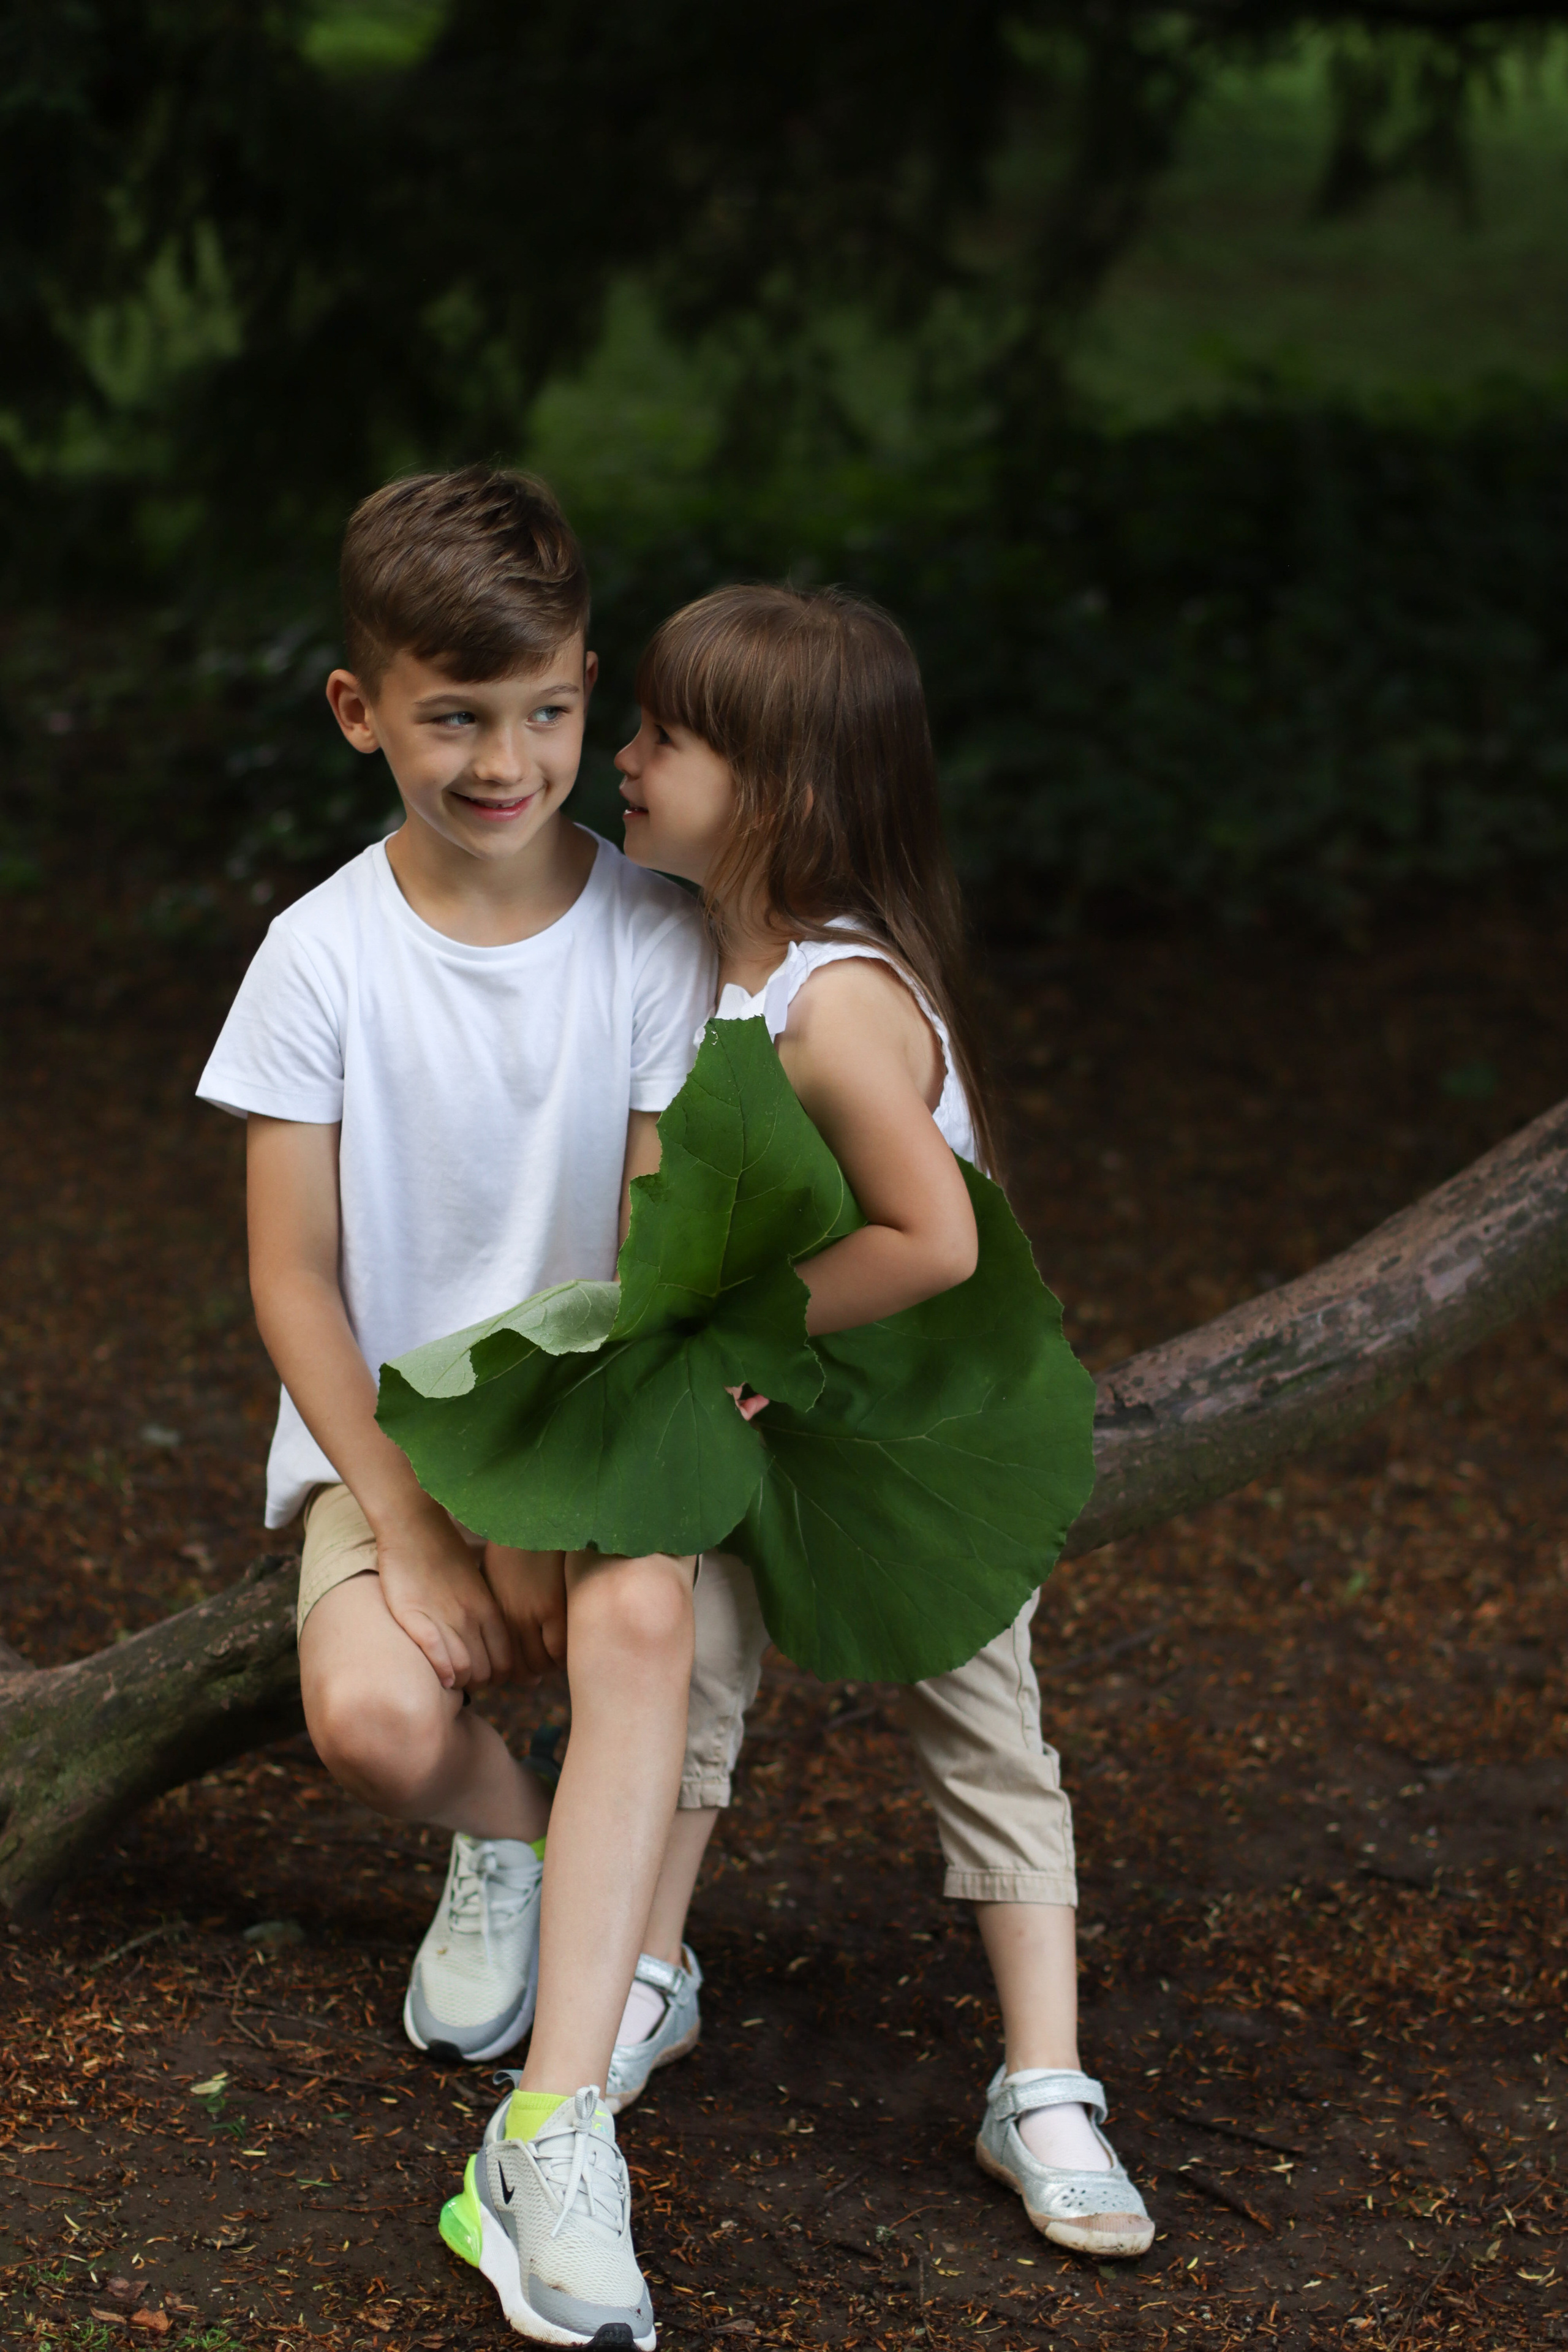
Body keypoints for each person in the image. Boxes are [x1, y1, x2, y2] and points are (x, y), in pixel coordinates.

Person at [197, 467, 720, 2348]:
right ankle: (520, 1837)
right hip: (402, 1447)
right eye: (455, 715)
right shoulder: (320, 955)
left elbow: (660, 1251)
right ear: (362, 711)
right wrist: (413, 1526)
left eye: (551, 710)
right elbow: (292, 1281)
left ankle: (554, 2131)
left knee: (645, 1609)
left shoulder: (657, 939)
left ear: (593, 688)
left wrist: (551, 1507)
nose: (510, 758)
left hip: (595, 1434)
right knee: (364, 1719)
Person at [598, 581, 1154, 2259]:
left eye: (656, 738)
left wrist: (741, 1329)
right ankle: (642, 1967)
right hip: (757, 1394)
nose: (618, 762)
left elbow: (936, 1240)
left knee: (981, 1723)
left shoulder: (838, 1002)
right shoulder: (700, 956)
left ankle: (1044, 2081)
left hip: (912, 1415)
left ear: (777, 793)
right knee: (680, 1673)